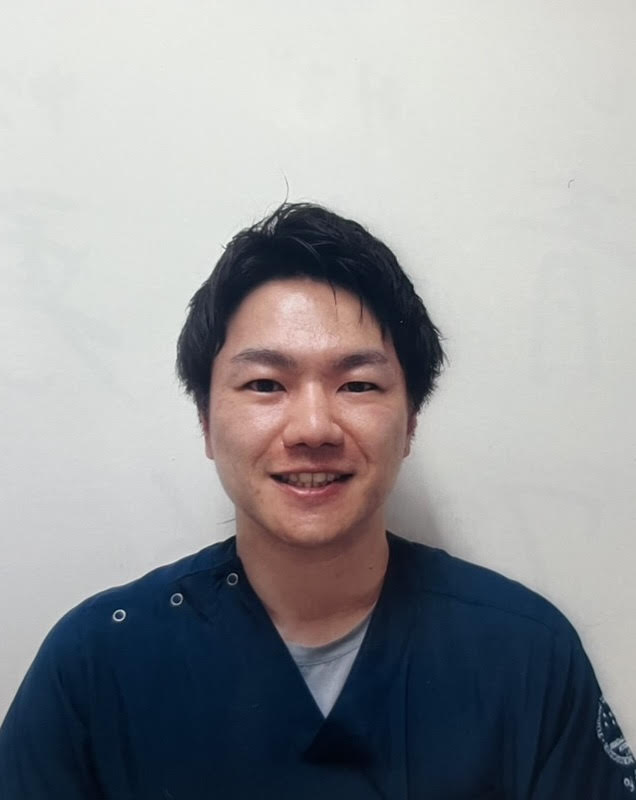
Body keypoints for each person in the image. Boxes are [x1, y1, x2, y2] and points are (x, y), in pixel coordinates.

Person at [0, 203, 633, 799]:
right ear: (206, 422)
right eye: (264, 383)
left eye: (357, 384)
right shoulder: (97, 663)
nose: (312, 428)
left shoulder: (525, 655)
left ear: (410, 423)